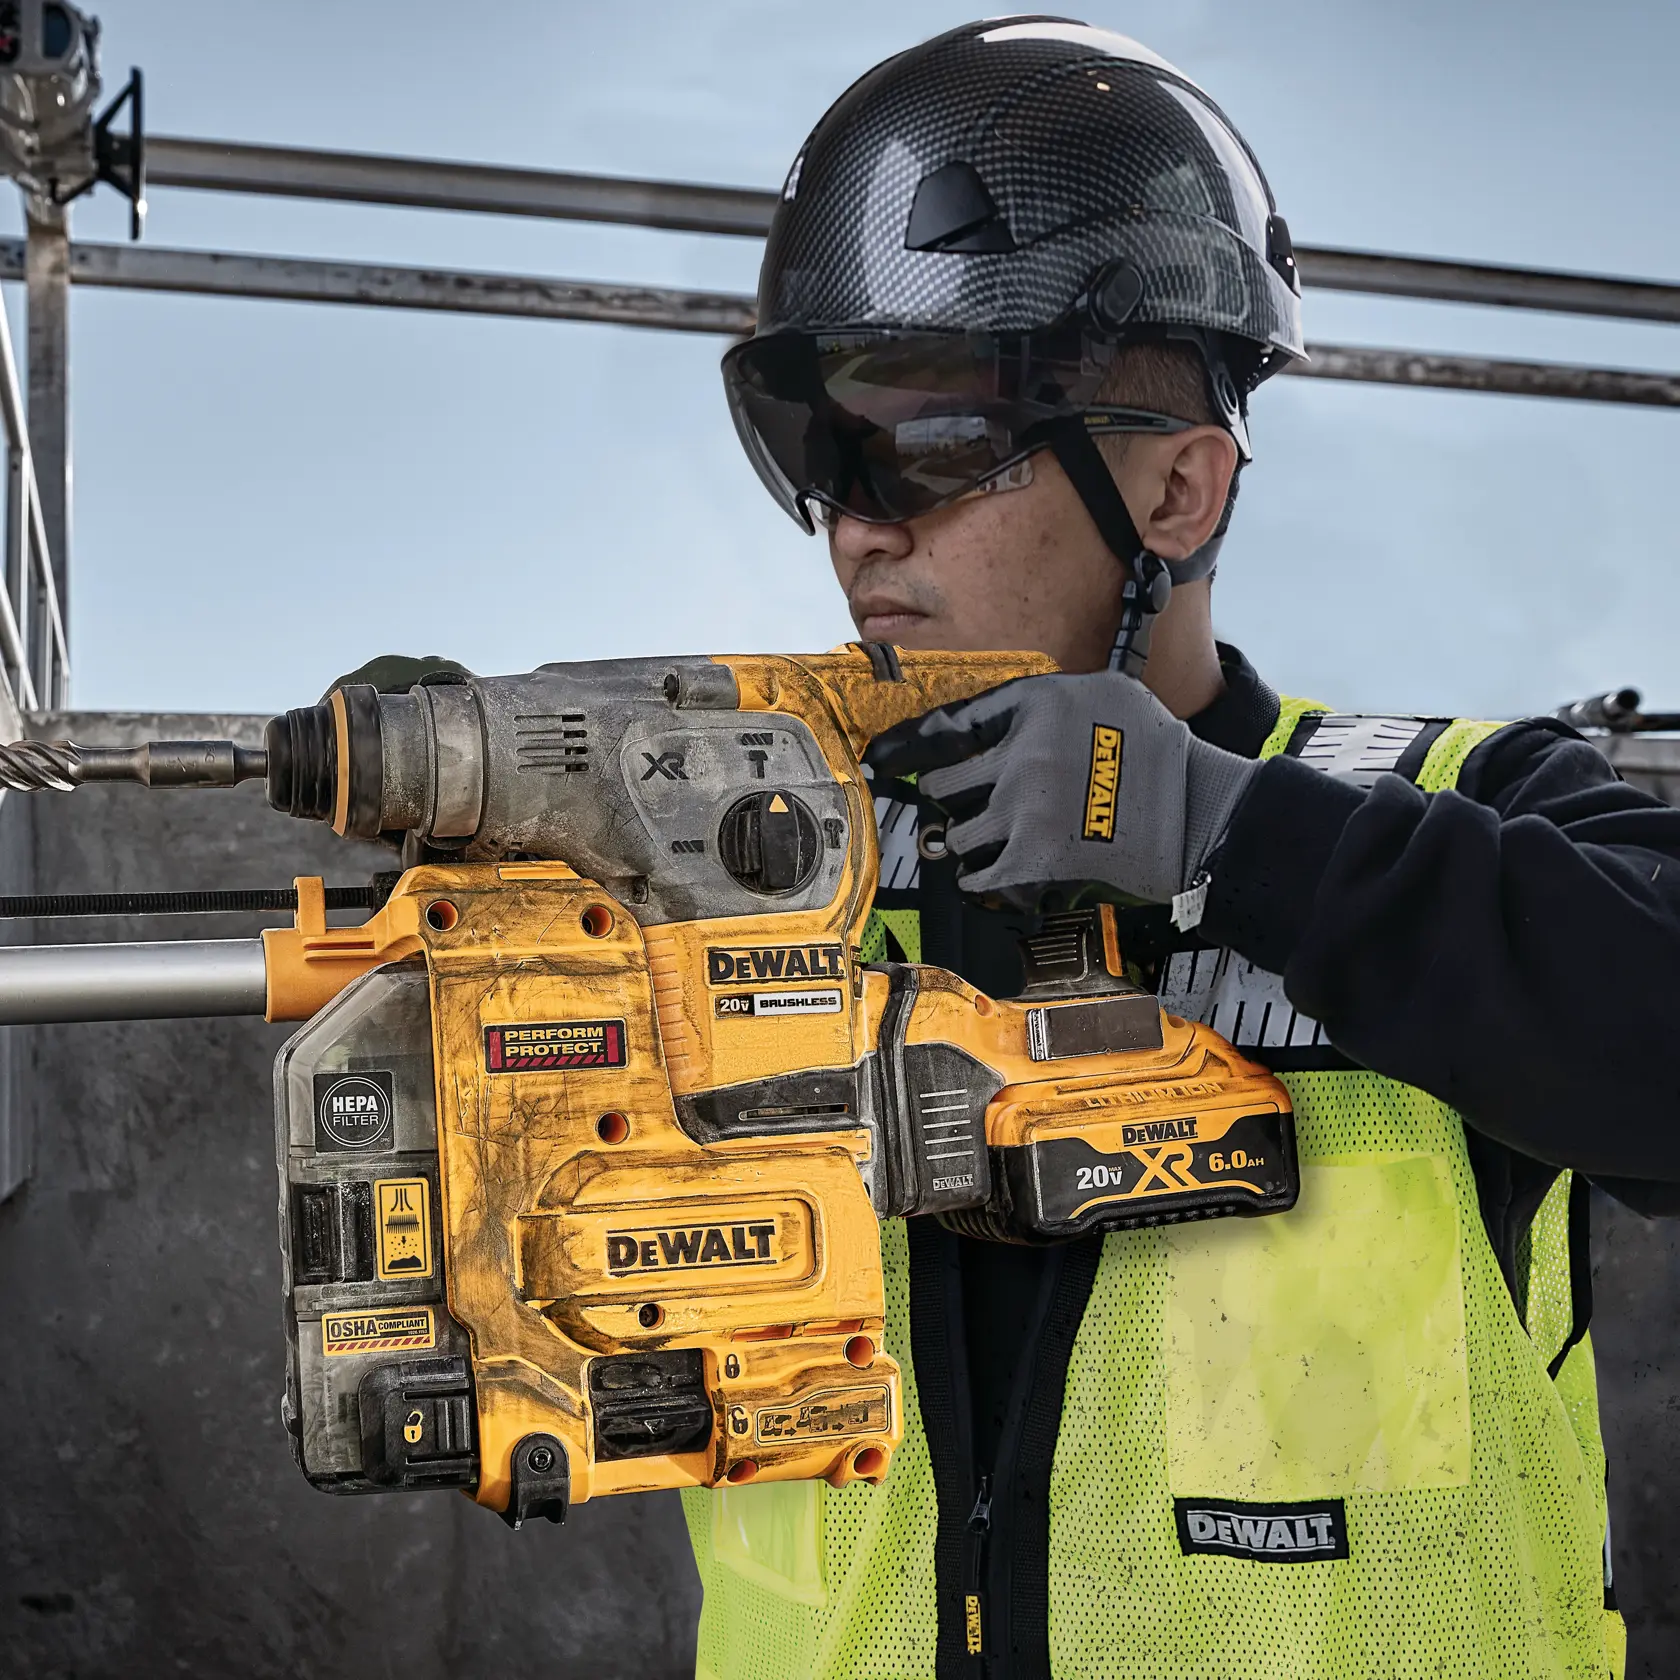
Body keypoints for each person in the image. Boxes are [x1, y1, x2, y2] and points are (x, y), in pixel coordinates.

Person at [690, 17, 1680, 1680]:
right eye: (822, 454)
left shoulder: (1469, 804)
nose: (860, 520)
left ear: (1178, 494)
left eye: (928, 441)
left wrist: (1236, 840)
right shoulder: (792, 887)